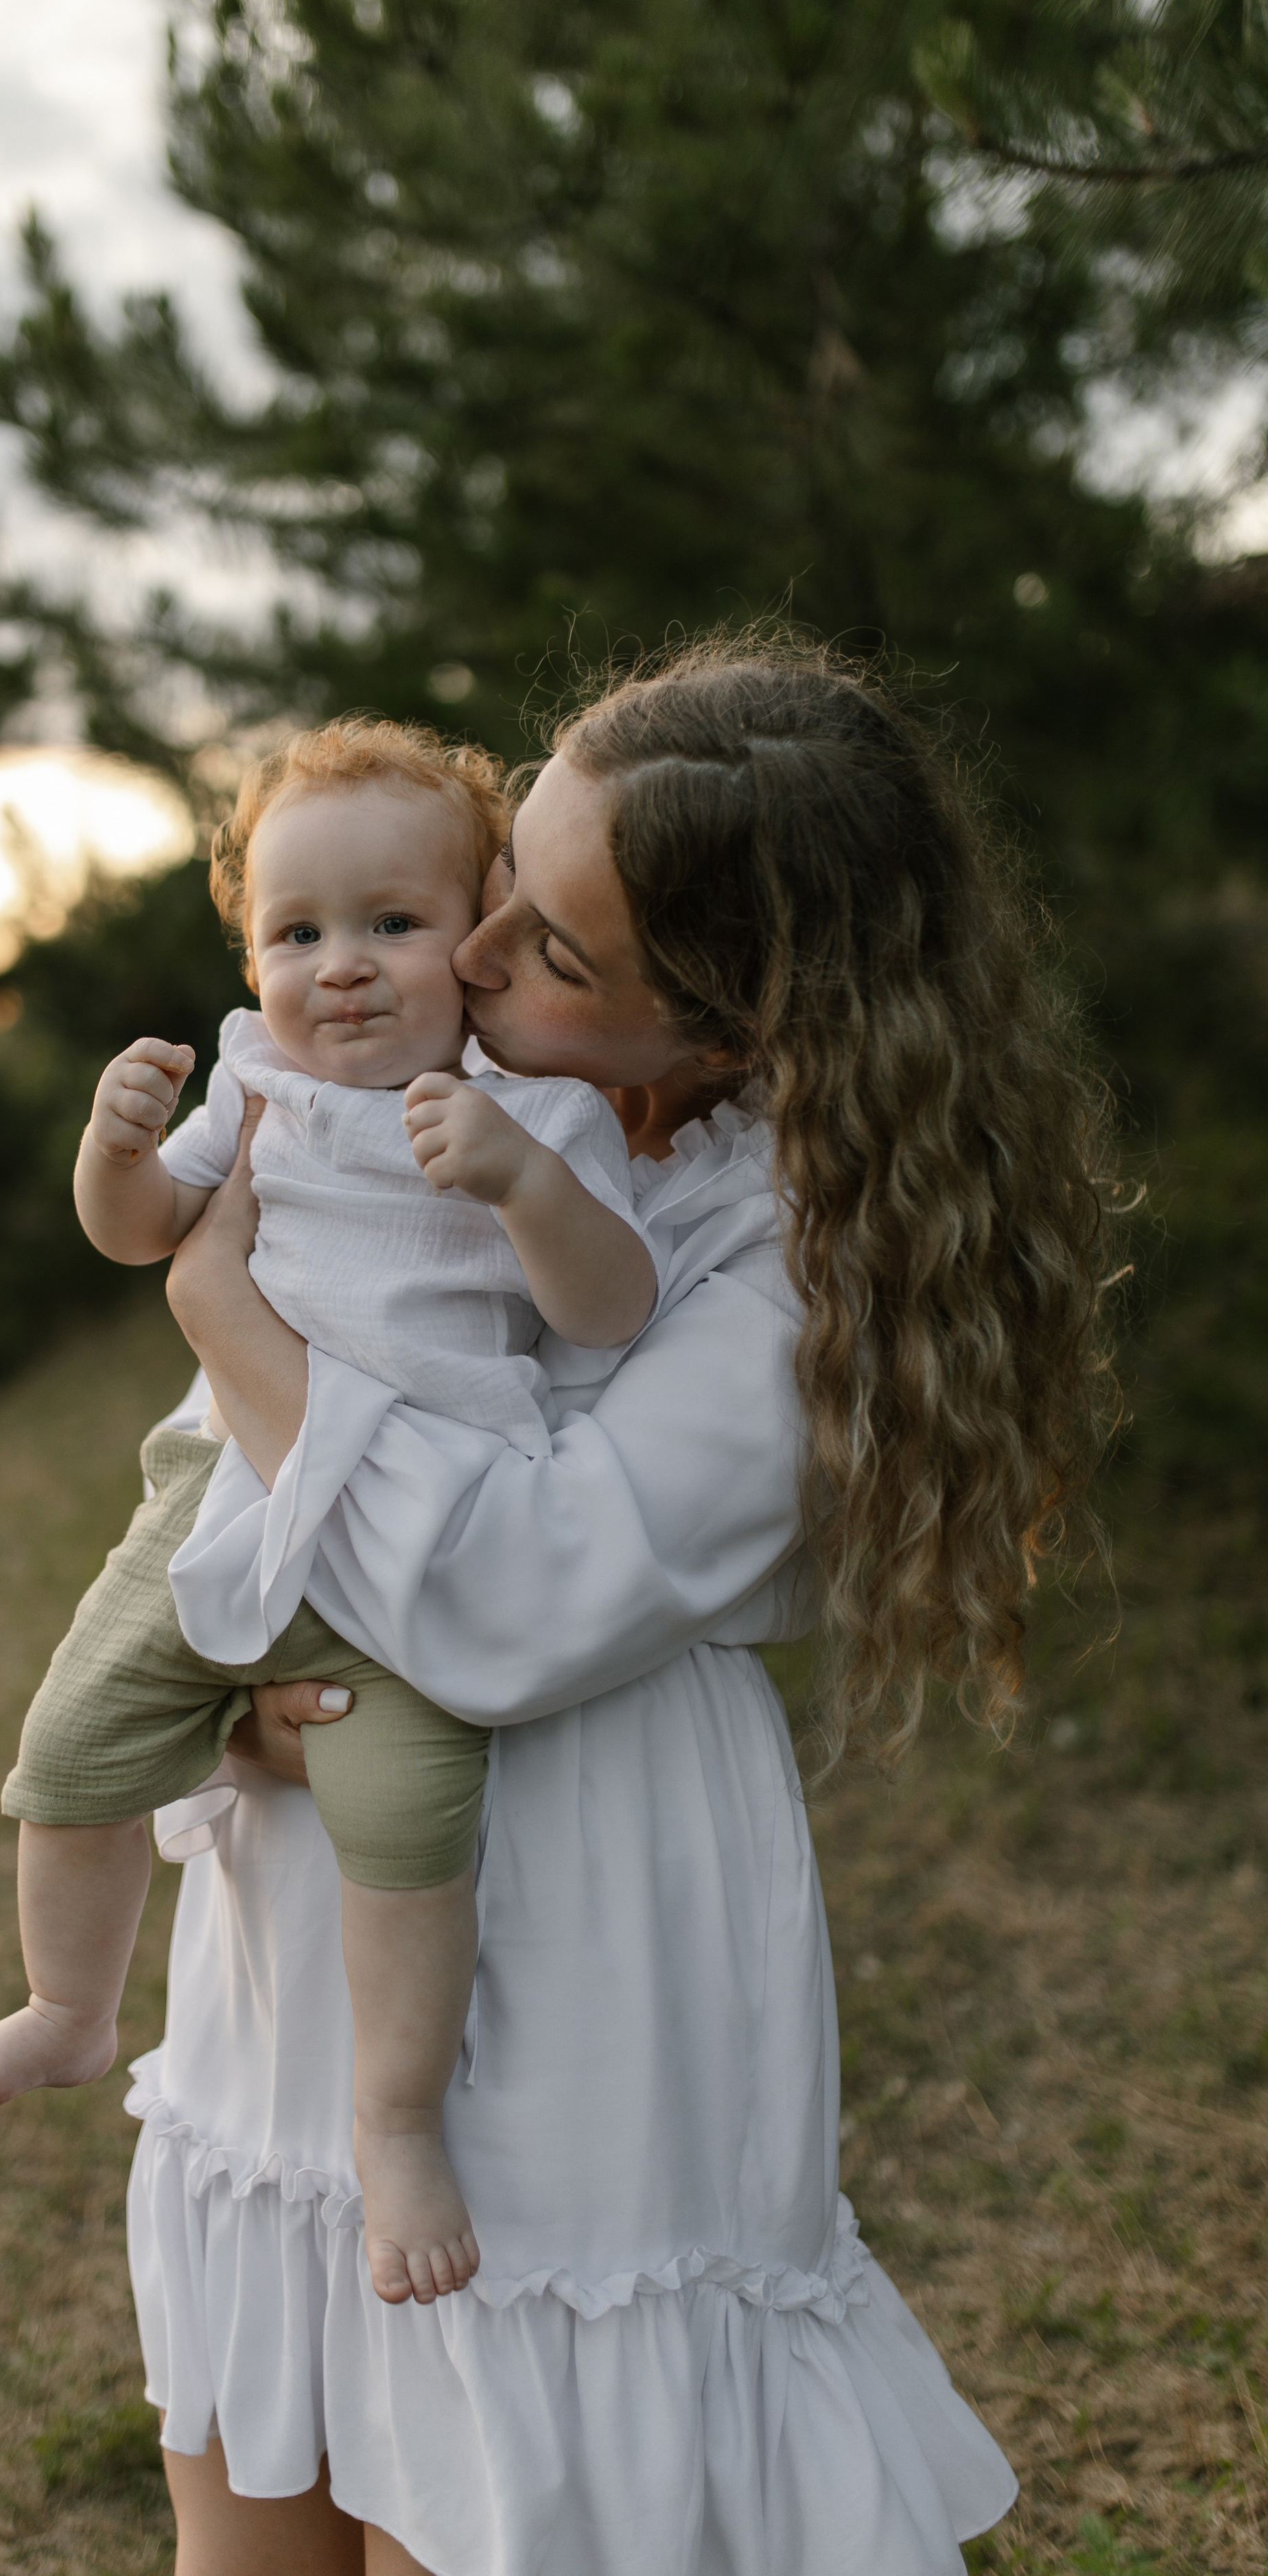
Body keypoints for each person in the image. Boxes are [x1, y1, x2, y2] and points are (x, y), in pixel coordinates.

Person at [134, 637, 1116, 2575]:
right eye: (507, 882)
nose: (475, 961)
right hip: (319, 1845)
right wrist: (219, 1665)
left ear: (733, 1028)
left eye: (556, 952)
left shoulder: (792, 1253)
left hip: (585, 1906)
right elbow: (244, 1441)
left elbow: (510, 1593)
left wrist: (219, 1312)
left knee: (495, 2465)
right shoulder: (443, 1057)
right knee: (262, 2449)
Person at [0, 720, 657, 2308]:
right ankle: (68, 2004)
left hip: (418, 1532)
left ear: (473, 934)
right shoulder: (249, 1083)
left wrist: (524, 1189)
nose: (340, 967)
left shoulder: (533, 1113)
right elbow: (141, 1240)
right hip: (229, 1492)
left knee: (407, 1832)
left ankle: (396, 2124)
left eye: (390, 924)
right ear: (247, 952)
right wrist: (110, 1153)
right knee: (69, 1750)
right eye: (294, 933)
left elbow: (608, 1314)